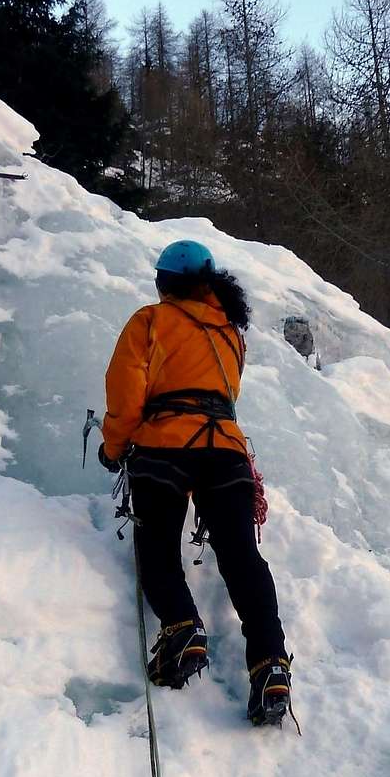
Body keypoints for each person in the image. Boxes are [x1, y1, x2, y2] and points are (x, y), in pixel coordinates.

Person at [99, 239, 293, 728]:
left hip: (165, 445)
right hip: (226, 452)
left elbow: (126, 389)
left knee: (158, 548)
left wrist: (114, 446)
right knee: (242, 558)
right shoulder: (230, 333)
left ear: (164, 282)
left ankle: (182, 625)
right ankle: (270, 662)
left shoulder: (150, 320)